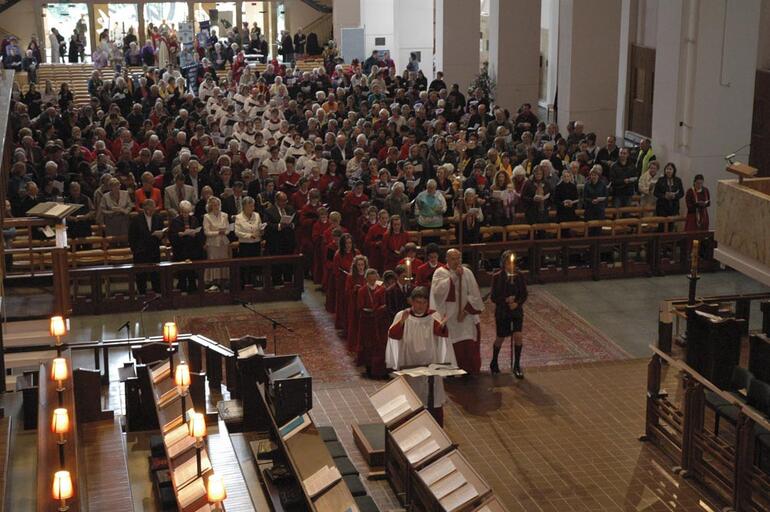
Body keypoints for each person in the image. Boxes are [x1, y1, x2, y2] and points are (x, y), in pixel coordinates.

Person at [386, 286, 456, 425]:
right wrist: (402, 322)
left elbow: (441, 333)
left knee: (432, 398)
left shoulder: (433, 316)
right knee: (411, 398)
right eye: (417, 302)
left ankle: (435, 427)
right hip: (409, 363)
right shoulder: (403, 315)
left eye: (424, 302)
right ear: (411, 302)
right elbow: (393, 335)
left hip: (430, 364)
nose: (421, 305)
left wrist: (443, 326)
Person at [430, 248, 484, 376]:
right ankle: (453, 371)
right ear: (447, 259)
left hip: (465, 316)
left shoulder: (467, 273)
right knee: (453, 346)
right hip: (449, 316)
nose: (456, 261)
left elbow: (475, 295)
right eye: (453, 259)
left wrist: (465, 311)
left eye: (458, 258)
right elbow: (437, 292)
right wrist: (454, 276)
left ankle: (470, 370)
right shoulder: (440, 272)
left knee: (468, 344)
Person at [489, 251, 528, 378]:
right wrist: (505, 300)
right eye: (507, 263)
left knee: (518, 336)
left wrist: (517, 303)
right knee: (500, 337)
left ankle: (517, 365)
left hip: (516, 311)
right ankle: (494, 362)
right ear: (503, 263)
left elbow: (524, 294)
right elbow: (494, 297)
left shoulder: (519, 276)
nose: (510, 265)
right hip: (503, 312)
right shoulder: (497, 277)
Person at [128, 199, 165, 296]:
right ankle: (142, 292)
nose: (151, 210)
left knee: (156, 272)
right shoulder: (136, 220)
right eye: (149, 208)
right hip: (141, 250)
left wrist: (161, 235)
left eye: (153, 208)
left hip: (154, 249)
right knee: (141, 274)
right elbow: (131, 236)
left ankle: (157, 291)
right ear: (144, 208)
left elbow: (162, 232)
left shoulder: (158, 218)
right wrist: (135, 250)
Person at [168, 200, 205, 292]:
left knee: (192, 271)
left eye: (188, 212)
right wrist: (179, 235)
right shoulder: (175, 221)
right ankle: (182, 287)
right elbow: (172, 236)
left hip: (192, 249)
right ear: (180, 211)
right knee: (182, 272)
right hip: (181, 249)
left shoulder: (194, 219)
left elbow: (199, 233)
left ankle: (192, 288)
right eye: (184, 212)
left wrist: (195, 234)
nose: (186, 214)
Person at [358, 268, 386, 377]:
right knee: (368, 345)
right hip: (367, 321)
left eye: (374, 279)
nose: (373, 282)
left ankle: (379, 367)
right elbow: (360, 306)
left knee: (378, 345)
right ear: (367, 279)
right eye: (370, 280)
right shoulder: (363, 290)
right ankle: (369, 366)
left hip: (378, 321)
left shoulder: (381, 289)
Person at [263, 191, 297, 284]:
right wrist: (278, 226)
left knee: (288, 263)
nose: (285, 202)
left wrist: (292, 225)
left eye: (286, 200)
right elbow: (267, 224)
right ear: (277, 201)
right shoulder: (269, 211)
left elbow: (296, 221)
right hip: (276, 242)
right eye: (283, 201)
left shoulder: (290, 209)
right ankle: (277, 282)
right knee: (276, 264)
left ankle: (288, 281)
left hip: (288, 241)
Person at [203, 196, 230, 291]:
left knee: (224, 260)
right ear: (210, 206)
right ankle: (214, 281)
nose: (216, 206)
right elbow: (206, 232)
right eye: (214, 205)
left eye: (217, 204)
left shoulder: (225, 215)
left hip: (223, 242)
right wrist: (218, 232)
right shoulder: (207, 216)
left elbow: (228, 229)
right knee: (213, 260)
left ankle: (224, 280)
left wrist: (224, 232)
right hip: (213, 243)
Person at [235, 196, 263, 287]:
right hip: (245, 245)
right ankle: (244, 285)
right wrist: (249, 236)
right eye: (250, 206)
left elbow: (259, 227)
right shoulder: (239, 217)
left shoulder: (257, 215)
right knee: (245, 266)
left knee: (255, 265)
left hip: (256, 244)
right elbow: (237, 232)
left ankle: (255, 284)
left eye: (253, 206)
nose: (252, 208)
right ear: (244, 206)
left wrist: (261, 231)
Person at [653, 163, 684, 230]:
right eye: (667, 169)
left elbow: (681, 193)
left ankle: (669, 240)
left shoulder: (678, 180)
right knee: (661, 226)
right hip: (662, 207)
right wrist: (664, 196)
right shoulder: (661, 180)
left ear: (673, 170)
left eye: (670, 169)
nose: (668, 171)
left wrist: (675, 196)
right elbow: (655, 193)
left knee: (671, 226)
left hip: (673, 207)